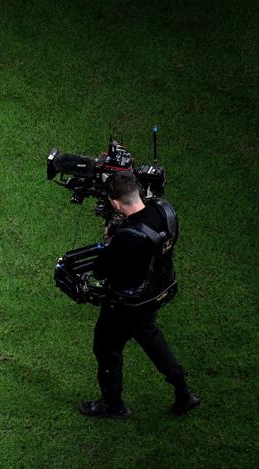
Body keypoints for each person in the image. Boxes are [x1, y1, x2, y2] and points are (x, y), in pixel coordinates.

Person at [79, 171, 201, 417]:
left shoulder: (127, 238)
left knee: (106, 347)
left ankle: (113, 406)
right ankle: (184, 392)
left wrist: (109, 237)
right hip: (156, 291)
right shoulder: (163, 210)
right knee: (152, 340)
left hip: (126, 304)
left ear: (114, 203)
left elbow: (101, 271)